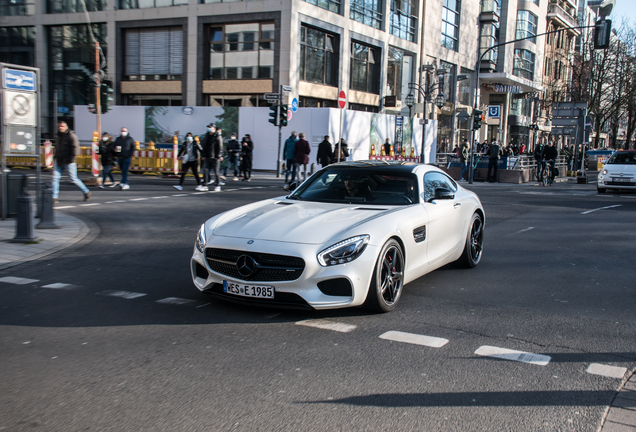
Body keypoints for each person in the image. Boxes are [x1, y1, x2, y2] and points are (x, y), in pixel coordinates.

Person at [52, 121, 90, 203]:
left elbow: (75, 148)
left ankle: (86, 191)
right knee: (55, 178)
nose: (60, 128)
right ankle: (54, 197)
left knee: (73, 179)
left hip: (68, 161)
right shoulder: (58, 136)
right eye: (59, 126)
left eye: (62, 126)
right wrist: (55, 157)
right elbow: (57, 148)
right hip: (59, 160)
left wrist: (71, 160)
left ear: (66, 127)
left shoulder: (71, 136)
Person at [202, 124, 224, 190]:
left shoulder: (217, 136)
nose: (209, 128)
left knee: (216, 172)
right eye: (208, 127)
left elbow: (220, 147)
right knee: (205, 171)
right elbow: (204, 146)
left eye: (210, 127)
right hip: (207, 156)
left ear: (214, 128)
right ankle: (205, 185)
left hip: (215, 157)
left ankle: (217, 185)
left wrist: (218, 156)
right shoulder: (207, 136)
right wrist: (203, 155)